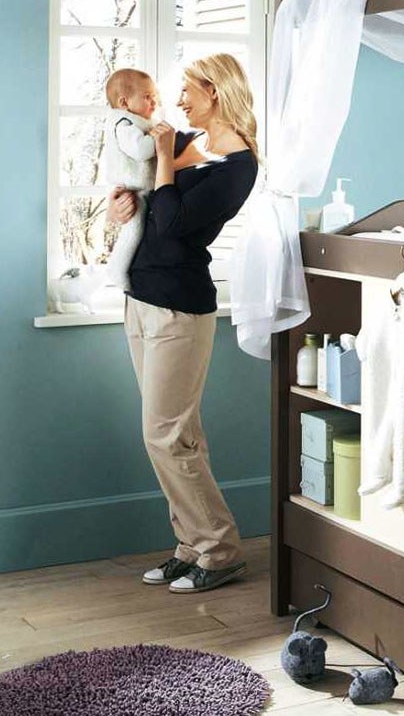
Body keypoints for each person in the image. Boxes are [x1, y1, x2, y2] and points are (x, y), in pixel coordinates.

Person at [107, 54, 259, 594]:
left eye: (188, 90)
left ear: (214, 91)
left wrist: (165, 166)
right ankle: (192, 546)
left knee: (164, 435)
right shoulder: (187, 142)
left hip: (179, 307)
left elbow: (172, 224)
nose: (177, 101)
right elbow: (147, 202)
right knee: (180, 436)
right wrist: (120, 207)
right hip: (142, 298)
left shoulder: (238, 165)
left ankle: (219, 550)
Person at [79, 68, 160, 310]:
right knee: (133, 231)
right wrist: (159, 138)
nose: (154, 102)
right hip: (132, 190)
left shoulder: (138, 122)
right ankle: (117, 269)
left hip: (141, 190)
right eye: (147, 96)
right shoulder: (123, 124)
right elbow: (141, 151)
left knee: (138, 230)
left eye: (155, 96)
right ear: (124, 102)